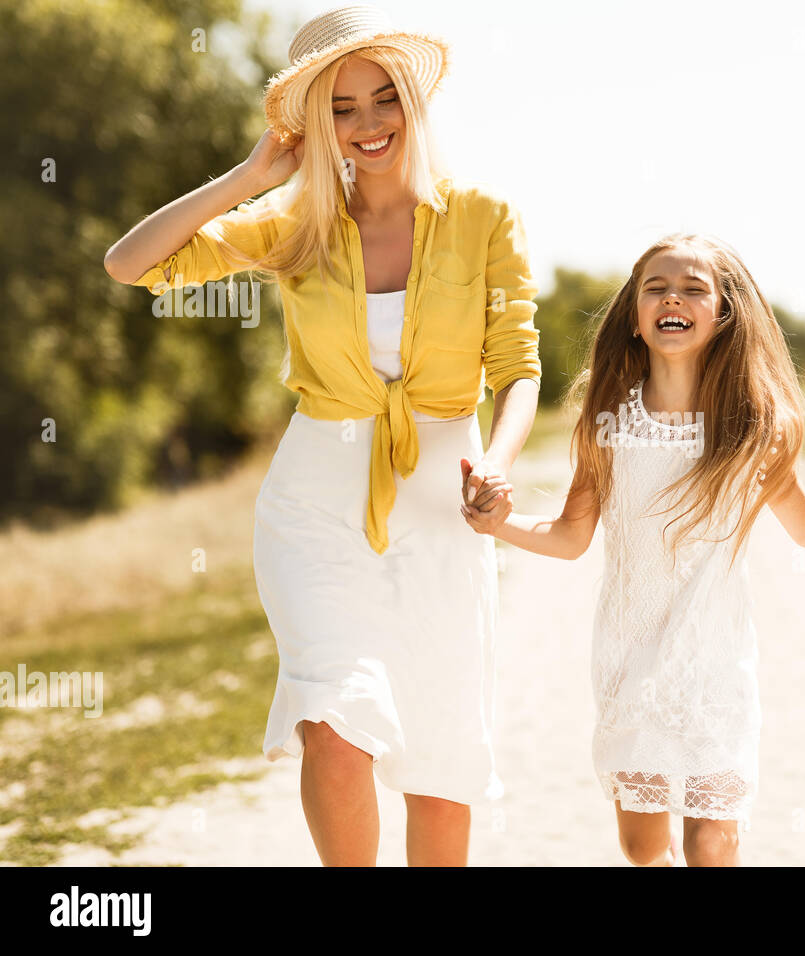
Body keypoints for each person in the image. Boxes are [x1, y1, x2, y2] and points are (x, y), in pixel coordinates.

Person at [103, 3, 542, 866]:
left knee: (440, 764)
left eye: (384, 98)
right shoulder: (297, 227)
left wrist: (494, 460)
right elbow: (132, 264)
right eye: (341, 107)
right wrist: (247, 178)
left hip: (445, 503)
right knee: (332, 722)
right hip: (315, 506)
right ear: (315, 123)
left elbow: (518, 366)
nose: (368, 123)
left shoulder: (483, 218)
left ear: (414, 100)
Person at [462, 234, 805, 865]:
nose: (673, 297)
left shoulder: (751, 426)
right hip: (628, 668)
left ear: (723, 313)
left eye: (693, 288)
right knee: (644, 850)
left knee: (710, 845)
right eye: (656, 287)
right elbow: (570, 536)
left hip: (715, 674)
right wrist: (498, 524)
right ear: (637, 316)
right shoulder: (608, 421)